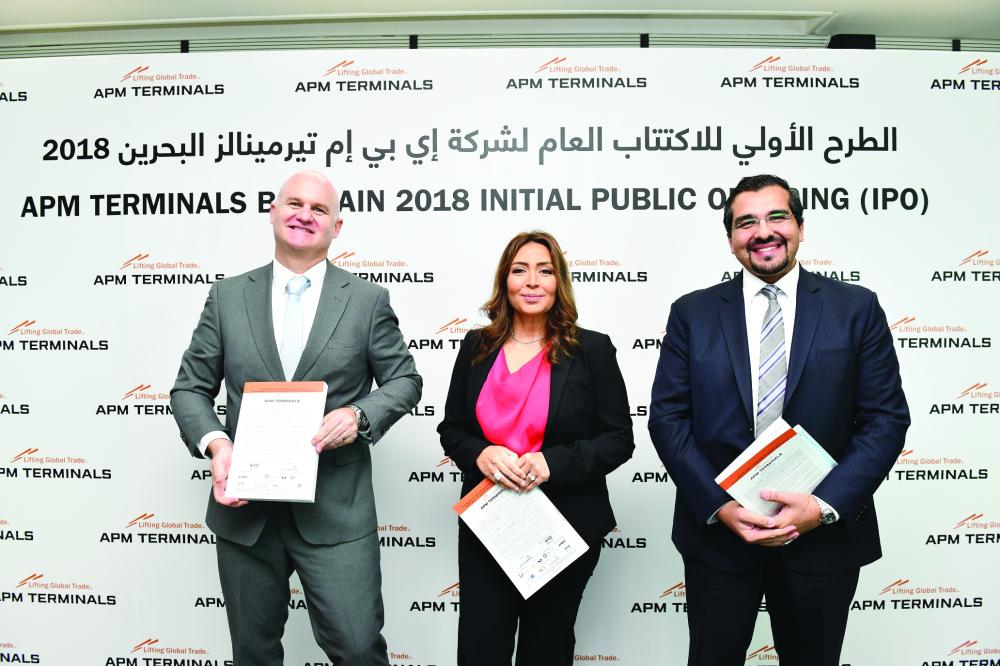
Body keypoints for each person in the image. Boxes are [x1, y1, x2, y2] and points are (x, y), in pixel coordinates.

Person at [648, 174, 909, 666]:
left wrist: (823, 506)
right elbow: (668, 419)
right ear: (731, 241)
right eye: (746, 223)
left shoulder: (855, 309)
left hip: (821, 539)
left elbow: (885, 420)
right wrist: (720, 506)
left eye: (776, 217)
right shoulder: (692, 313)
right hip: (720, 536)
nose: (762, 232)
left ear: (801, 227)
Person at [170, 170, 422, 666]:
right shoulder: (227, 297)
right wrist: (219, 446)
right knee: (253, 654)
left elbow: (405, 381)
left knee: (357, 650)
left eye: (320, 209)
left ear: (337, 227)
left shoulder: (367, 301)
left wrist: (358, 415)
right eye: (295, 203)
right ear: (274, 211)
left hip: (336, 511)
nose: (305, 215)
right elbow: (189, 389)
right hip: (246, 513)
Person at [438, 231, 634, 666]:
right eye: (519, 270)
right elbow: (452, 429)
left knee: (545, 649)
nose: (532, 282)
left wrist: (553, 463)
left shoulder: (592, 350)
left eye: (544, 271)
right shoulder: (476, 346)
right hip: (489, 524)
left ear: (558, 281)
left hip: (563, 526)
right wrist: (479, 454)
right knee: (478, 648)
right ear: (504, 281)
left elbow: (620, 439)